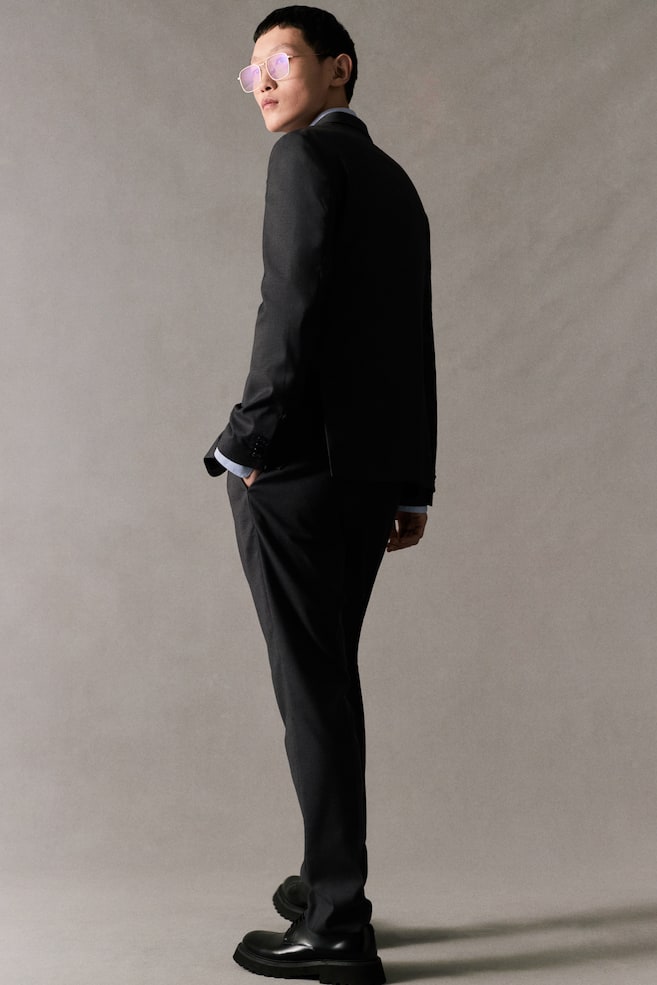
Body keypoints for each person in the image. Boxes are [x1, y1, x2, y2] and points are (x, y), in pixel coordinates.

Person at [204, 7, 436, 983]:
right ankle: (329, 883)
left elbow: (287, 307)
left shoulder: (302, 159)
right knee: (329, 682)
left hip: (295, 473)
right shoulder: (395, 181)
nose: (261, 80)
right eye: (251, 69)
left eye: (281, 60)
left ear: (338, 69)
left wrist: (242, 444)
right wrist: (413, 483)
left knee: (312, 691)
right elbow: (411, 334)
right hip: (370, 474)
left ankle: (337, 921)